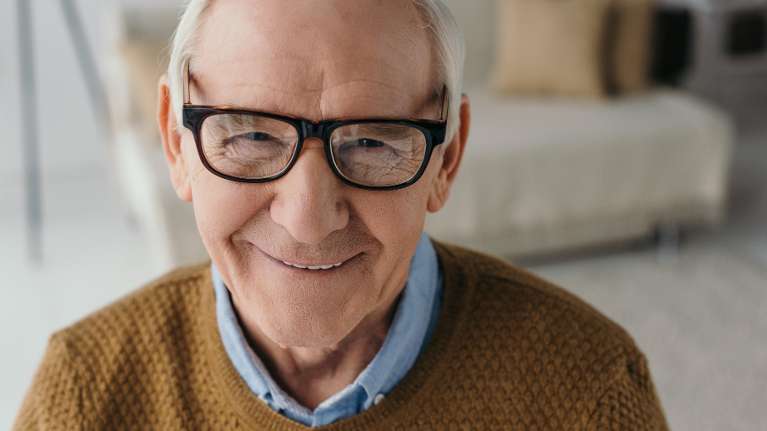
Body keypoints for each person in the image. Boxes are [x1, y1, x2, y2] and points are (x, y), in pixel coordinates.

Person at [14, 0, 669, 429]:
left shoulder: (590, 391)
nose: (306, 217)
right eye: (248, 134)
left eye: (372, 141)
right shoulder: (84, 395)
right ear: (175, 142)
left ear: (447, 157)